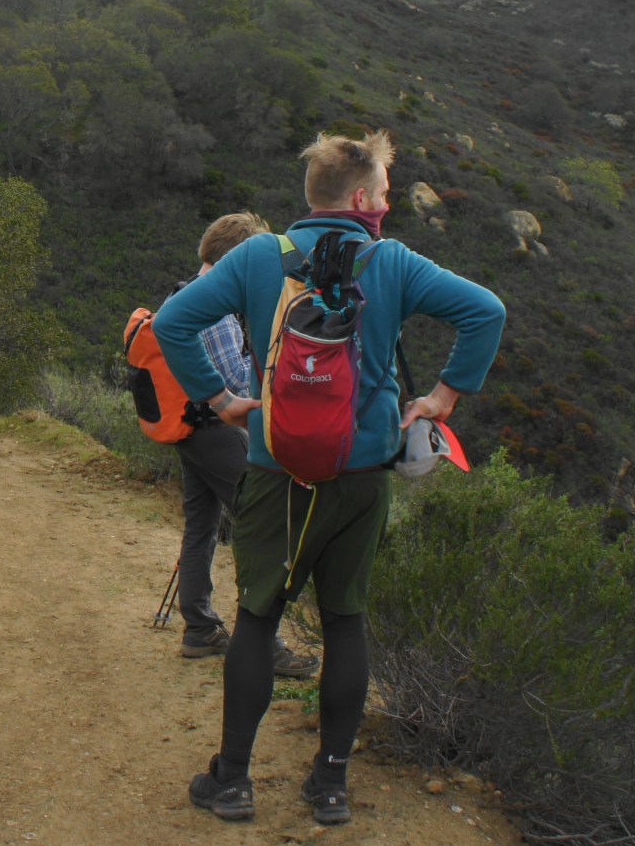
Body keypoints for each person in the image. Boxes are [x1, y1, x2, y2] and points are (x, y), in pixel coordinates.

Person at [154, 130, 504, 828]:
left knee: (257, 618)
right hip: (362, 475)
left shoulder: (259, 255)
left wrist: (221, 401)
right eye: (383, 193)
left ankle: (233, 780)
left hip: (275, 470)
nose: (386, 204)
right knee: (346, 622)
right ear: (360, 197)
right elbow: (485, 311)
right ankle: (331, 784)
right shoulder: (392, 261)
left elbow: (173, 322)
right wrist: (441, 398)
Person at [175, 212, 320, 682]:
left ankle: (199, 628)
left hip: (189, 430)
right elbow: (238, 383)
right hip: (215, 431)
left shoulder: (185, 294)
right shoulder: (217, 311)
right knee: (262, 526)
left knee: (200, 525)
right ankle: (264, 644)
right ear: (234, 258)